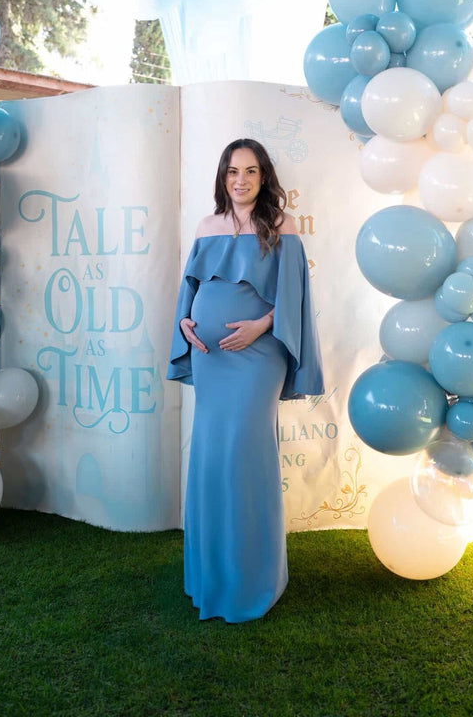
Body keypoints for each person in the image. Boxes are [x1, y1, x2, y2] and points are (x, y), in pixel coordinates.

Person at [167, 138, 323, 623]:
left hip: (258, 358)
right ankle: (211, 577)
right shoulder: (206, 226)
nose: (241, 180)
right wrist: (187, 324)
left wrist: (259, 325)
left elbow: (293, 299)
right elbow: (189, 291)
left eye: (251, 172)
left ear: (263, 177)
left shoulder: (281, 227)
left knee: (245, 458)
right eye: (233, 171)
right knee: (212, 457)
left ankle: (252, 580)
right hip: (211, 357)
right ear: (222, 176)